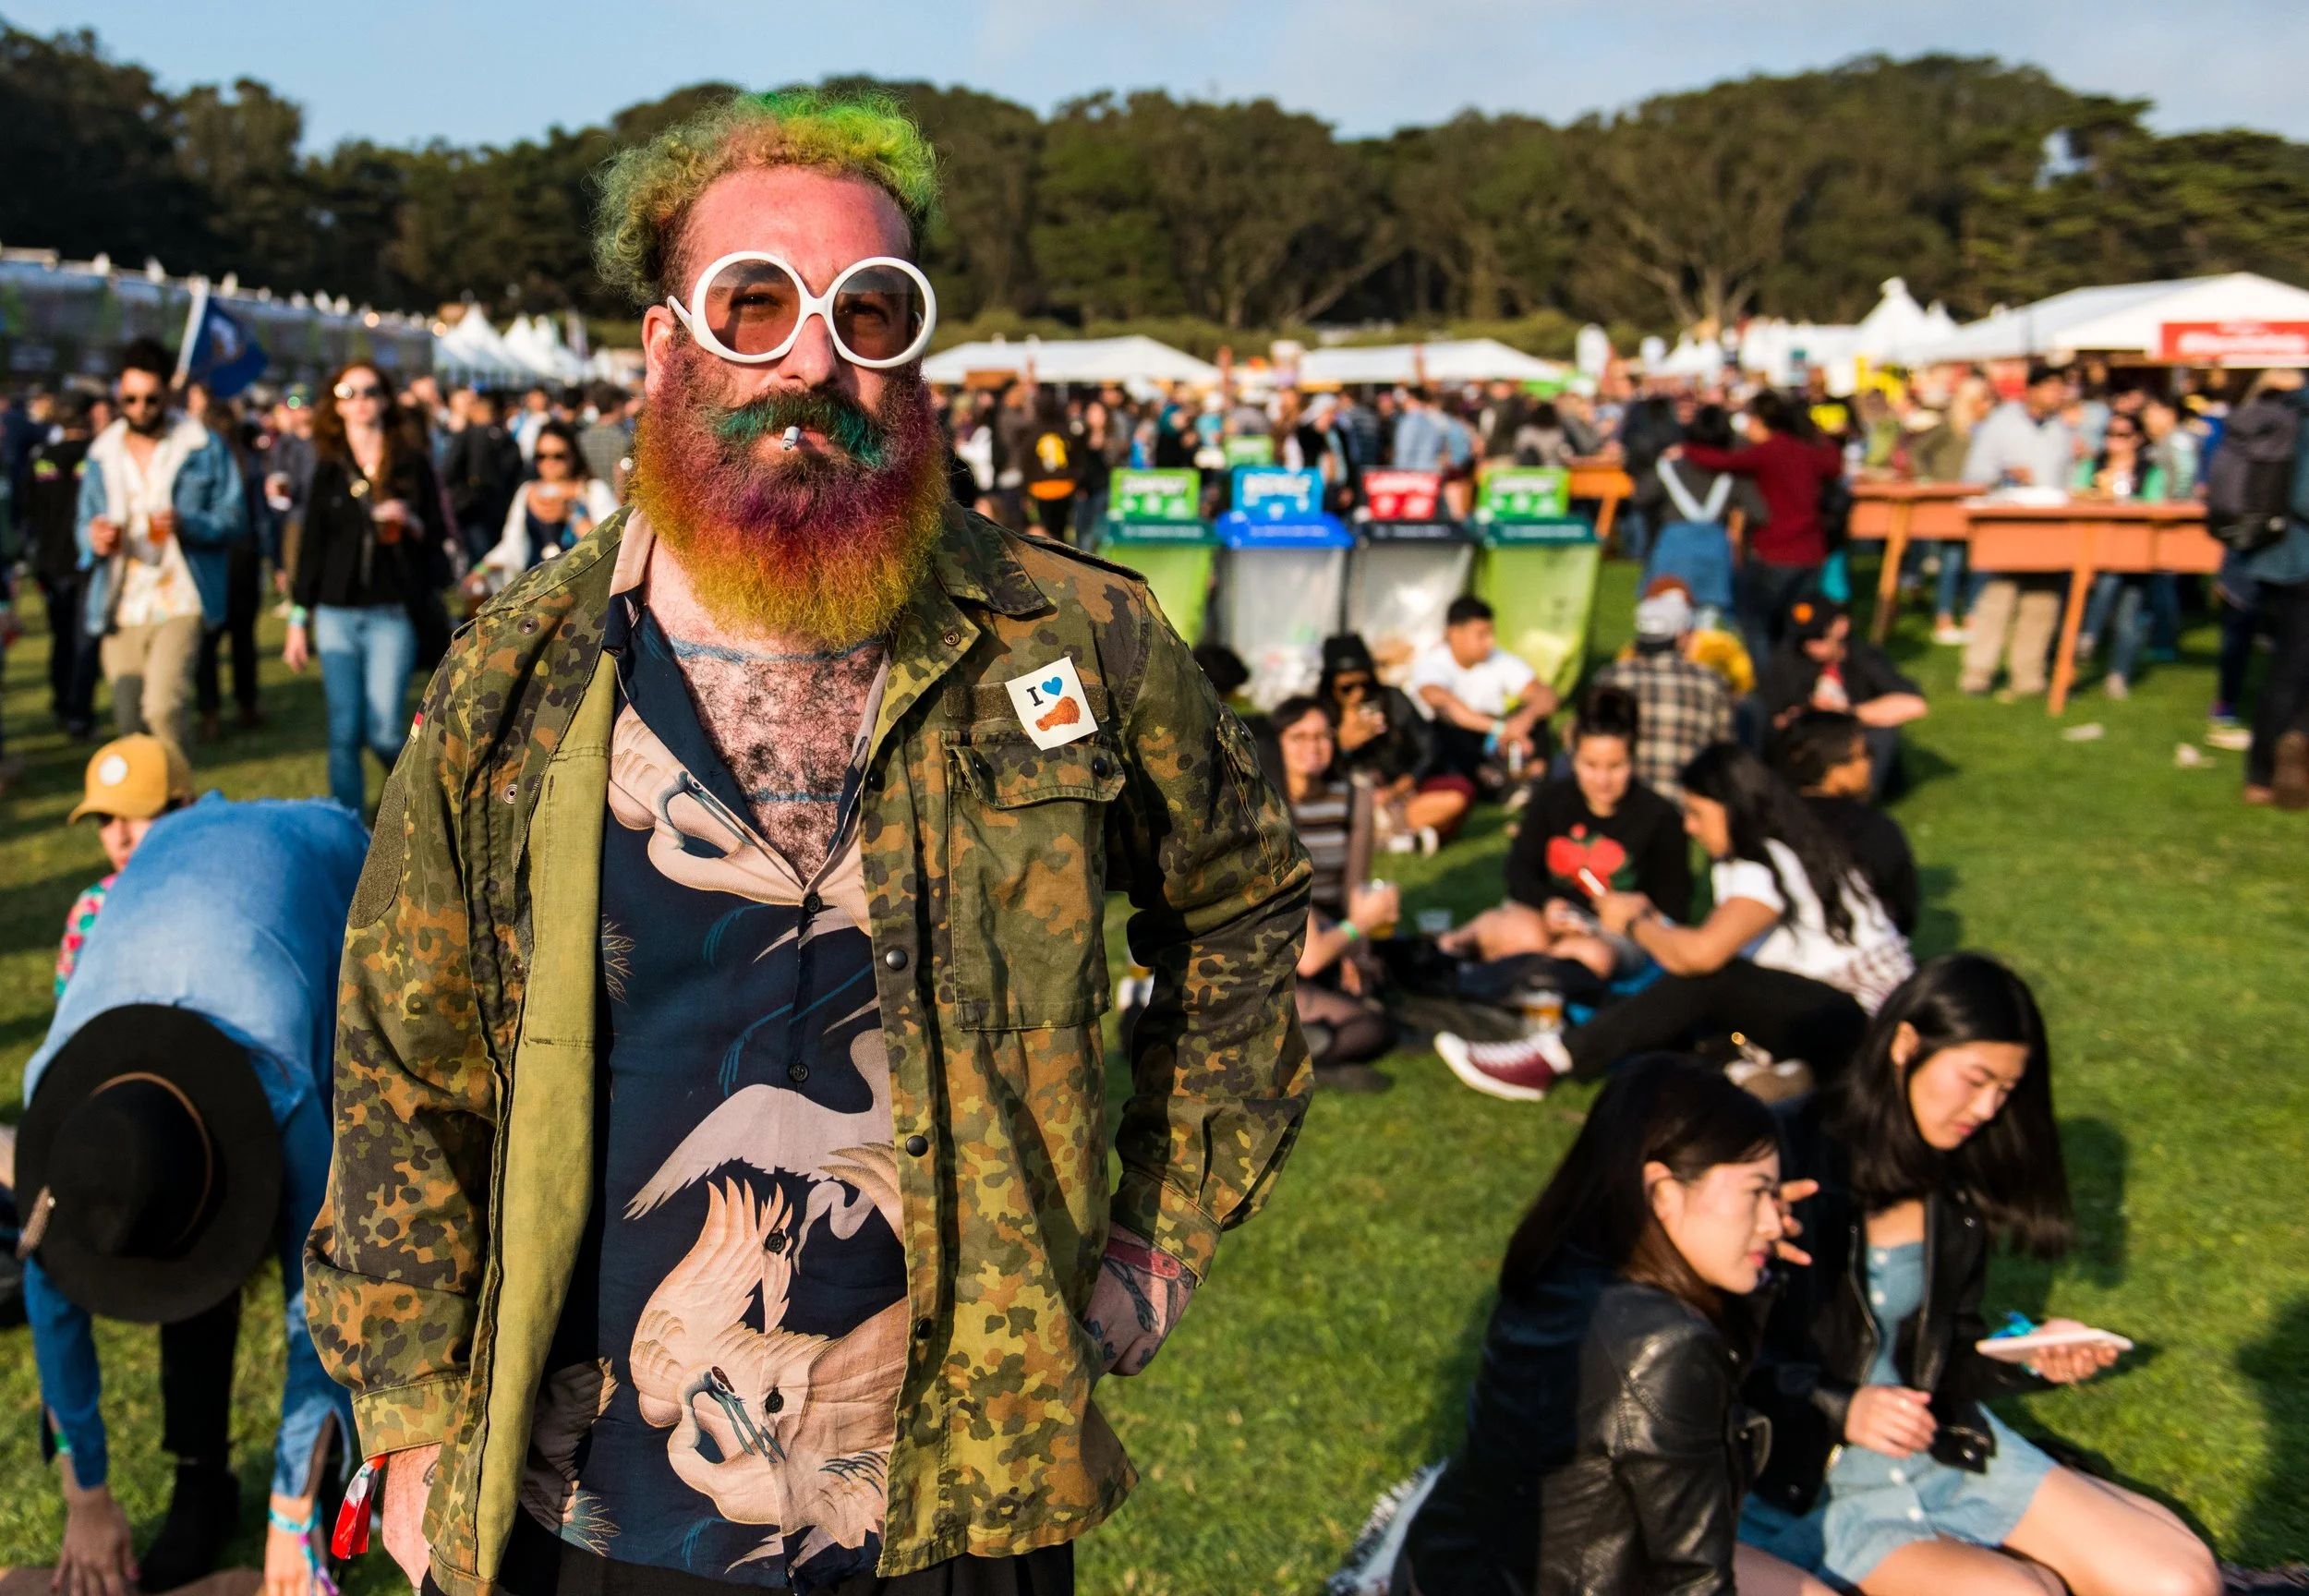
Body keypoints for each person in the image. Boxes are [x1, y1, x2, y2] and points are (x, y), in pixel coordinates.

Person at [307, 86, 1313, 1596]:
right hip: (599, 1503)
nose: (814, 358)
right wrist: (408, 1409)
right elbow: (404, 1054)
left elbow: (1241, 902)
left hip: (962, 1487)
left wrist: (1158, 1233)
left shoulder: (1072, 636)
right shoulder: (518, 678)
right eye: (756, 302)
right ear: (666, 347)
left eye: (869, 308)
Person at [1740, 955, 2221, 1596]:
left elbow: (1945, 1349)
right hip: (1808, 1479)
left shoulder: (1954, 1176)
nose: (1989, 1108)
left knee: (2180, 1580)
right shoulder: (1780, 1153)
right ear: (1906, 1044)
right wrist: (1841, 1406)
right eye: (1976, 1080)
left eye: (2005, 1089)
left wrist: (2027, 1355)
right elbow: (1711, 1346)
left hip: (1941, 1444)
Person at [23, 796, 367, 1596]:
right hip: (178, 855)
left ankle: (343, 1473)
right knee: (167, 1209)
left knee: (365, 1202)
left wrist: (291, 1508)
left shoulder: (282, 1091)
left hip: (325, 867)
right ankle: (201, 1476)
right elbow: (50, 1298)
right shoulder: (59, 1111)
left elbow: (321, 1293)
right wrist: (86, 1493)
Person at [1396, 1055, 1831, 1596]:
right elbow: (1693, 1580)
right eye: (1756, 1192)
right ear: (1663, 1192)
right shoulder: (1665, 1344)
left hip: (1445, 1570)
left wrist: (1755, 1276)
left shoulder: (1560, 1262)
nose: (1773, 1220)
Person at [1438, 743, 1910, 1103]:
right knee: (1672, 1013)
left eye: (1697, 813)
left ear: (1731, 808)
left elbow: (1703, 955)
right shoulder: (1791, 845)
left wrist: (1634, 924)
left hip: (1865, 1030)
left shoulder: (1759, 863)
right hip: (1860, 1020)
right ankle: (1757, 1072)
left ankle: (1550, 1060)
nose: (1690, 827)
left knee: (1708, 980)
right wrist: (1654, 921)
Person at [75, 337, 249, 768]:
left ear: (168, 394)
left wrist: (188, 524)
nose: (139, 409)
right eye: (129, 399)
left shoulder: (202, 446)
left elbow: (234, 518)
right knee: (129, 723)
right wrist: (94, 539)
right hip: (120, 601)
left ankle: (183, 801)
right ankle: (151, 808)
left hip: (182, 595)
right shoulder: (102, 453)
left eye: (150, 399)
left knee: (163, 709)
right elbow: (84, 524)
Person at [283, 363, 448, 813]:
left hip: (391, 610)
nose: (360, 401)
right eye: (348, 393)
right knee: (343, 732)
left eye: (370, 391)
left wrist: (410, 520)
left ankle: (424, 809)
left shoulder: (411, 463)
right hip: (335, 613)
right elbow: (311, 548)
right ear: (336, 405)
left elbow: (437, 536)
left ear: (386, 399)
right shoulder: (328, 468)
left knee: (385, 732)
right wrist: (297, 619)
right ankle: (349, 828)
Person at [1442, 684, 1690, 976]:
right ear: (1573, 759)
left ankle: (1536, 980)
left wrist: (1637, 909)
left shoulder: (1659, 816)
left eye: (1615, 767)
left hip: (1615, 932)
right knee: (1522, 936)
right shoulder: (1551, 800)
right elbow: (1519, 870)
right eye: (1590, 765)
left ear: (1633, 760)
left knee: (1589, 956)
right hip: (1546, 914)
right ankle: (1446, 953)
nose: (1602, 780)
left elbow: (1674, 905)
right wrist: (1548, 904)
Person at [1273, 695, 1399, 1092]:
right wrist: (1360, 924)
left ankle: (1289, 1054)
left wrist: (1356, 948)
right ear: (1277, 743)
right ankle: (1282, 1061)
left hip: (1326, 927)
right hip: (1279, 940)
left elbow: (1354, 886)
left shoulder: (1353, 797)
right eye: (1299, 737)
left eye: (1322, 736)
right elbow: (1309, 957)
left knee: (1378, 1002)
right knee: (1370, 1027)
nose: (1313, 747)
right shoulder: (1265, 807)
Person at [1674, 390, 1844, 661]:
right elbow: (1834, 463)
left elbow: (1724, 461)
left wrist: (1686, 450)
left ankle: (1767, 677)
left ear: (1758, 421)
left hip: (1776, 552)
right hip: (1811, 552)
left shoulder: (1768, 452)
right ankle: (1795, 675)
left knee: (1755, 620)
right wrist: (1814, 433)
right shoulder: (1805, 451)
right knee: (1797, 624)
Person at [2207, 369, 2309, 808]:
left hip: (2275, 557)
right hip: (2301, 559)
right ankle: (2269, 767)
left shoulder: (2285, 410)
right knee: (2291, 669)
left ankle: (2277, 761)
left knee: (2289, 664)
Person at [1959, 366, 2075, 697]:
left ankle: (2028, 674)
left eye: (2061, 389)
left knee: (2043, 601)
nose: (2058, 396)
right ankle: (1978, 671)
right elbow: (1974, 474)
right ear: (2032, 390)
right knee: (1999, 596)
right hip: (2008, 522)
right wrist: (2006, 474)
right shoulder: (2000, 424)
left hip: (2050, 523)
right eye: (2051, 388)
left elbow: (2065, 476)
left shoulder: (2060, 429)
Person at [54, 732, 194, 996]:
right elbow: (69, 1008)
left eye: (137, 814)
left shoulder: (229, 897)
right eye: (105, 819)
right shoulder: (93, 909)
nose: (120, 839)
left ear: (185, 807)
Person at [1756, 600, 1927, 800]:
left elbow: (1914, 704)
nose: (1811, 646)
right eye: (1804, 639)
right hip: (1809, 748)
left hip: (1850, 743)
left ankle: (1860, 798)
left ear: (1841, 626)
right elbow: (1771, 717)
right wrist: (1806, 714)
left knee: (1882, 733)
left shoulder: (1861, 656)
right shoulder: (1788, 661)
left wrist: (1846, 713)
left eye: (1819, 636)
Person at [1770, 710, 1918, 935]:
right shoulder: (1871, 828)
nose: (1871, 762)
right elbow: (1903, 912)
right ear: (1835, 772)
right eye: (1866, 753)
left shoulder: (1764, 821)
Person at [1319, 632, 1468, 851]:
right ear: (1330, 685)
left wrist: (1403, 784)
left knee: (1458, 795)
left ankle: (1387, 836)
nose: (1359, 694)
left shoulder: (1392, 700)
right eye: (1347, 688)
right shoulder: (1318, 716)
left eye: (1365, 684)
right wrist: (1342, 747)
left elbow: (1428, 746)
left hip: (1398, 796)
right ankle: (1397, 839)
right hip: (1345, 803)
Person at [1596, 586, 1735, 801]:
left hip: (1626, 802)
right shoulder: (1711, 683)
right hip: (1689, 804)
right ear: (1682, 637)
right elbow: (1726, 752)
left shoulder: (1611, 678)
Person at [1407, 596, 1555, 796]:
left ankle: (1532, 779)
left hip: (1496, 734)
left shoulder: (1499, 659)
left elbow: (1546, 696)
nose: (1490, 642)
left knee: (1536, 717)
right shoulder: (1432, 664)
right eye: (1482, 634)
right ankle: (1492, 782)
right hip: (1462, 739)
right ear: (1455, 633)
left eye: (1491, 633)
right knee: (1447, 731)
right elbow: (1445, 706)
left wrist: (1523, 720)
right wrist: (1501, 728)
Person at [25, 390, 102, 737]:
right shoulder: (97, 457)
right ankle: (78, 713)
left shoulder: (43, 457)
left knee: (62, 638)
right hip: (84, 561)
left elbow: (28, 511)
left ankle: (63, 706)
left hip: (52, 561)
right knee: (83, 640)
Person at [474, 417, 622, 584]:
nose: (549, 463)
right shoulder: (527, 491)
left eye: (558, 456)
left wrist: (570, 515)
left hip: (583, 585)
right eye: (541, 456)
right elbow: (512, 544)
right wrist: (479, 570)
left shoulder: (592, 490)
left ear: (573, 456)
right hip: (537, 587)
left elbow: (611, 543)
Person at [1908, 375, 1994, 644]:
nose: (1988, 404)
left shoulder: (1988, 429)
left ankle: (1971, 616)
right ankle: (1944, 617)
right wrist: (1928, 480)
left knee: (1980, 561)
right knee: (1952, 560)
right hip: (1951, 502)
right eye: (1983, 399)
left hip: (1980, 500)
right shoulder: (1950, 427)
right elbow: (1917, 451)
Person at [441, 388, 526, 560]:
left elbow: (448, 470)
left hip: (474, 508)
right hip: (499, 505)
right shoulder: (505, 437)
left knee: (478, 555)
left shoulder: (468, 435)